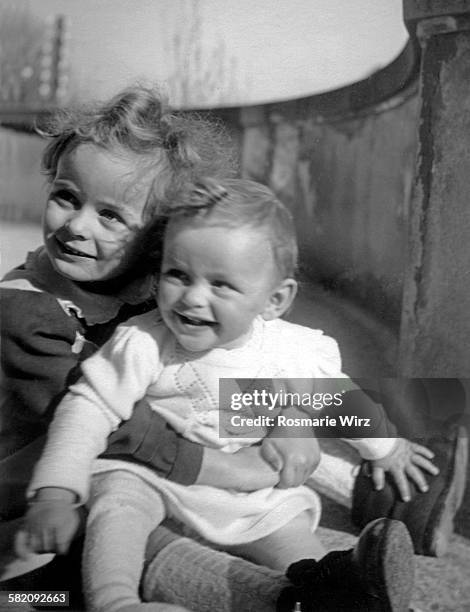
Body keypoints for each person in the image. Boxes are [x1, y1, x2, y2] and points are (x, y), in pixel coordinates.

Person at [0, 84, 465, 611]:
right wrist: (245, 467)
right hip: (43, 501)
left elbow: (286, 385)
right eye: (65, 196)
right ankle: (280, 597)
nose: (77, 226)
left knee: (267, 389)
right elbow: (121, 430)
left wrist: (294, 416)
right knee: (86, 565)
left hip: (179, 457)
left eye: (110, 216)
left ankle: (380, 496)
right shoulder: (28, 314)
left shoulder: (144, 283)